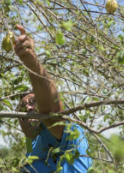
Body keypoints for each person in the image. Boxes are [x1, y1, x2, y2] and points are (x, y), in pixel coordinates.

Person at [13, 25, 93, 173]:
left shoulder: (57, 130)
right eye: (23, 107)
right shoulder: (32, 143)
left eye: (33, 102)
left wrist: (30, 60)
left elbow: (51, 111)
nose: (29, 108)